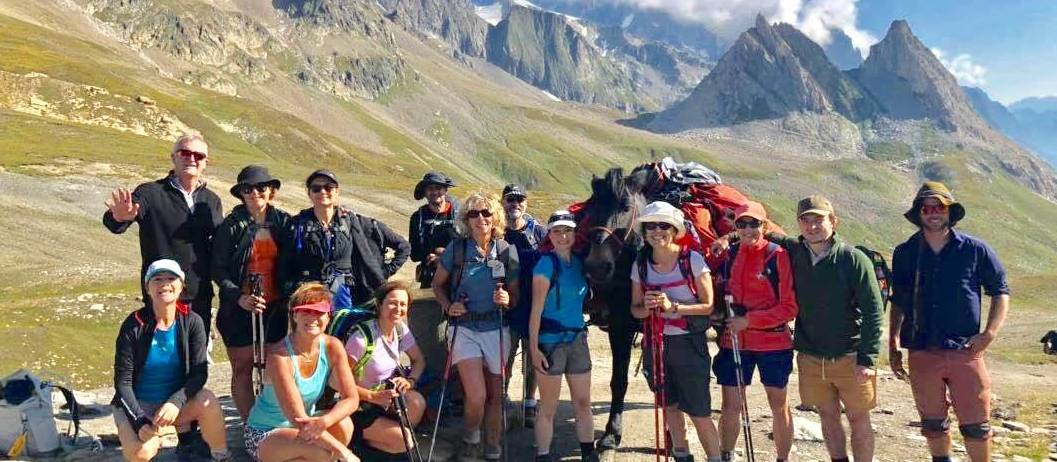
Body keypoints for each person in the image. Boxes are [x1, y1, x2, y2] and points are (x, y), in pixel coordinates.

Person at [889, 182, 1010, 462]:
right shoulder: (905, 252)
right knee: (932, 422)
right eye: (927, 207)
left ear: (949, 211)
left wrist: (989, 334)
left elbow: (1000, 291)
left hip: (965, 350)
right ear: (918, 213)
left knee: (976, 424)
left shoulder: (975, 250)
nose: (933, 213)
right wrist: (893, 340)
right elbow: (899, 300)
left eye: (939, 207)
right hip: (920, 348)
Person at [761, 195, 884, 462]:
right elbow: (762, 231)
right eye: (806, 220)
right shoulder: (795, 251)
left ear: (833, 221)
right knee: (827, 414)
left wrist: (868, 358)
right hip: (811, 355)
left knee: (858, 417)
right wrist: (728, 238)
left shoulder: (854, 260)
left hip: (850, 355)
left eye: (819, 220)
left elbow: (874, 311)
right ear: (799, 224)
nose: (812, 226)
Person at [103, 130, 223, 331]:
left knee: (195, 359)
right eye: (185, 153)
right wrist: (119, 217)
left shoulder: (212, 201)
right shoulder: (150, 193)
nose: (192, 159)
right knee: (161, 357)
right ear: (173, 157)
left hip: (199, 297)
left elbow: (218, 246)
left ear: (205, 163)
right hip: (161, 295)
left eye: (198, 156)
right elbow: (117, 222)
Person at [431, 191, 520, 461]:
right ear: (465, 220)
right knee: (477, 395)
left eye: (486, 213)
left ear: (495, 217)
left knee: (496, 394)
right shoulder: (457, 250)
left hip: (497, 327)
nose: (480, 218)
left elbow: (516, 295)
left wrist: (507, 299)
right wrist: (449, 306)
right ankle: (471, 436)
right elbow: (437, 285)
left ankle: (492, 445)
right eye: (473, 214)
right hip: (465, 328)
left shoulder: (506, 251)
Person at [629, 201, 721, 462]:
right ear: (644, 232)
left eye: (663, 225)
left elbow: (709, 306)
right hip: (656, 345)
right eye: (651, 226)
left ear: (674, 229)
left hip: (689, 344)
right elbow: (635, 310)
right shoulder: (640, 264)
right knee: (669, 406)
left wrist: (673, 306)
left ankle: (715, 458)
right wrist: (647, 309)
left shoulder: (692, 260)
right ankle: (682, 454)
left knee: (699, 410)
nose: (656, 231)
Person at [112, 259, 228, 462]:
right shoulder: (133, 325)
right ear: (147, 287)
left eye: (171, 278)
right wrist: (139, 421)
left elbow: (199, 373)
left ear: (181, 286)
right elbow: (122, 383)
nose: (164, 284)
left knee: (208, 401)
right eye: (157, 279)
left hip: (174, 405)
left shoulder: (192, 322)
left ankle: (221, 455)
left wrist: (176, 402)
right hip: (139, 406)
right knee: (141, 453)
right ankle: (150, 437)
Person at [713, 202, 797, 462]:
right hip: (734, 341)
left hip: (773, 343)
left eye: (754, 223)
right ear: (736, 227)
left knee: (778, 405)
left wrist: (748, 320)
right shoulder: (729, 255)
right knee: (730, 406)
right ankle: (725, 454)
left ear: (764, 224)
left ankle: (782, 458)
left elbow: (789, 307)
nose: (749, 229)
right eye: (742, 224)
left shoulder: (778, 256)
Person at [244, 282, 359, 462]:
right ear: (294, 315)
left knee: (344, 424)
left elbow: (352, 399)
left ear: (328, 317)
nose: (313, 317)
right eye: (306, 310)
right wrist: (345, 453)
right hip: (266, 431)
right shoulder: (279, 355)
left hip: (308, 425)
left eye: (319, 311)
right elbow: (298, 419)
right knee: (323, 452)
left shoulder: (333, 346)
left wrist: (324, 422)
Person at [212, 165, 291, 420]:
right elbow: (218, 268)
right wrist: (239, 297)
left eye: (261, 187)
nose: (255, 193)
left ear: (272, 192)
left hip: (274, 306)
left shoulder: (283, 223)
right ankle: (250, 425)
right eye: (248, 189)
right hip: (238, 308)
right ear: (241, 194)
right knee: (243, 368)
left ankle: (271, 420)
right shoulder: (231, 226)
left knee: (274, 366)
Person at [286, 170, 410, 308]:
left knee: (344, 328)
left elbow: (403, 246)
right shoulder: (296, 224)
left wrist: (384, 272)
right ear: (309, 193)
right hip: (311, 297)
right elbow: (285, 262)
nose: (322, 192)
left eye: (328, 188)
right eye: (316, 189)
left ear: (337, 191)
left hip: (345, 295)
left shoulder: (353, 222)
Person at [529, 210, 595, 462]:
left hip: (577, 339)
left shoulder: (580, 263)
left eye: (567, 230)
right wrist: (534, 350)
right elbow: (536, 309)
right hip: (550, 342)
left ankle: (588, 452)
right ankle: (543, 455)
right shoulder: (545, 264)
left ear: (575, 234)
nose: (563, 236)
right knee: (548, 407)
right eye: (557, 231)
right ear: (550, 235)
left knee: (582, 402)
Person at [346, 281, 427, 460]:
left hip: (385, 399)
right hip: (360, 405)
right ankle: (357, 444)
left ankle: (386, 444)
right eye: (392, 303)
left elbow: (419, 360)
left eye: (403, 304)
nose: (398, 308)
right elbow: (340, 383)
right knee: (405, 440)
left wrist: (410, 381)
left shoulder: (400, 329)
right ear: (379, 304)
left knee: (416, 403)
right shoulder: (361, 339)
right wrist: (372, 396)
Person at [501, 183, 548, 427]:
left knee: (532, 358)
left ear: (526, 204)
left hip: (535, 307)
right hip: (506, 308)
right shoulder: (496, 233)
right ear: (503, 203)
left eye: (520, 200)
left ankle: (530, 403)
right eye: (510, 199)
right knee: (504, 359)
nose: (515, 204)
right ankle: (503, 403)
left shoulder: (540, 233)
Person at [409, 171, 460, 289]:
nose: (435, 192)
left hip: (459, 277)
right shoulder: (417, 218)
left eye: (439, 188)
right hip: (430, 279)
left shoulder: (460, 214)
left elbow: (471, 244)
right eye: (430, 189)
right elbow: (414, 254)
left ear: (446, 190)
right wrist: (433, 254)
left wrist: (445, 256)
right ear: (425, 193)